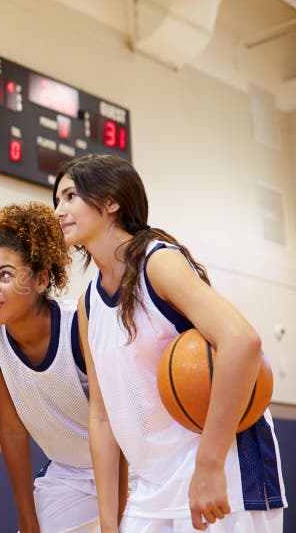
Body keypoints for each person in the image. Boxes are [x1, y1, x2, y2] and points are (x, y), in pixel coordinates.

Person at [53, 154, 287, 532]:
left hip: (220, 468)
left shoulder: (158, 264)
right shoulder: (89, 304)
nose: (59, 211)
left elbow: (242, 342)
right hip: (151, 486)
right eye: (57, 201)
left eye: (70, 197)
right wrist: (109, 521)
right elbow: (101, 415)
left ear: (111, 201)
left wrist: (209, 466)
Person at [0, 202, 109, 532]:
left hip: (127, 469)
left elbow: (114, 425)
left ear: (40, 279)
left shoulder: (80, 327)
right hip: (68, 474)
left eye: (4, 275)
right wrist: (28, 520)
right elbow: (12, 429)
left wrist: (111, 519)